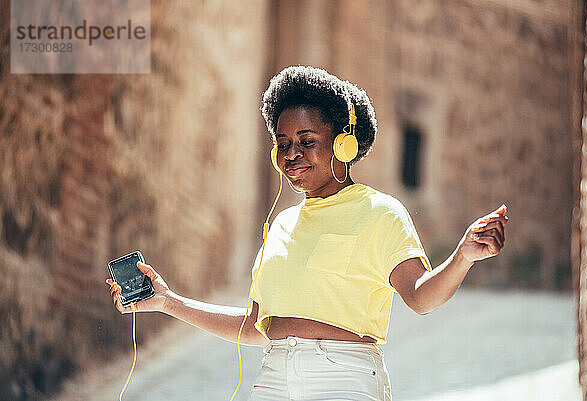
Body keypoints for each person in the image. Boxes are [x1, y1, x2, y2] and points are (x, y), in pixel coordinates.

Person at [106, 65, 508, 401]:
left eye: (307, 140)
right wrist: (167, 301)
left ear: (344, 145)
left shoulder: (381, 212)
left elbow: (420, 297)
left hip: (344, 380)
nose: (291, 154)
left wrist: (462, 257)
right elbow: (256, 325)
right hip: (272, 379)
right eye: (282, 143)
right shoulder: (282, 224)